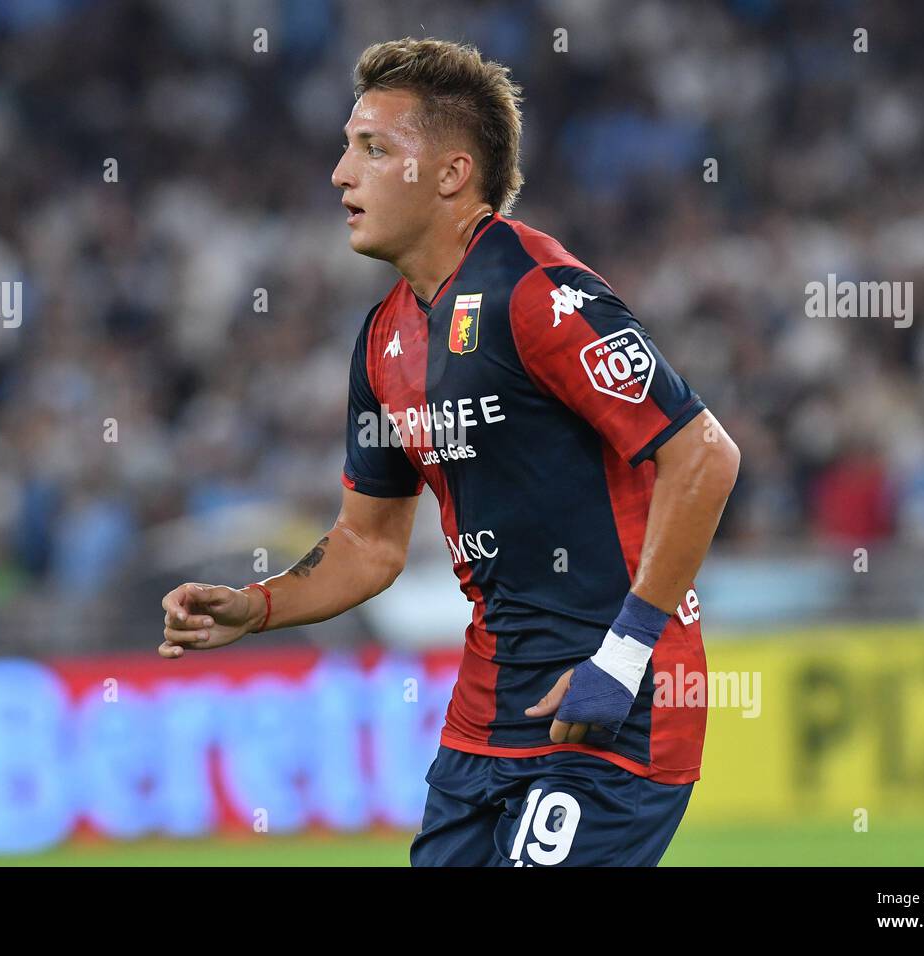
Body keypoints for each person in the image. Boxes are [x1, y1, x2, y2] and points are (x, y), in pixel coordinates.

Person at [160, 37, 740, 867]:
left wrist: (623, 653)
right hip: (486, 713)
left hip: (617, 702)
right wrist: (257, 607)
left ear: (449, 174)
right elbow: (368, 542)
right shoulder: (380, 343)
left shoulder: (537, 291)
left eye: (372, 148)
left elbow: (706, 457)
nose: (339, 173)